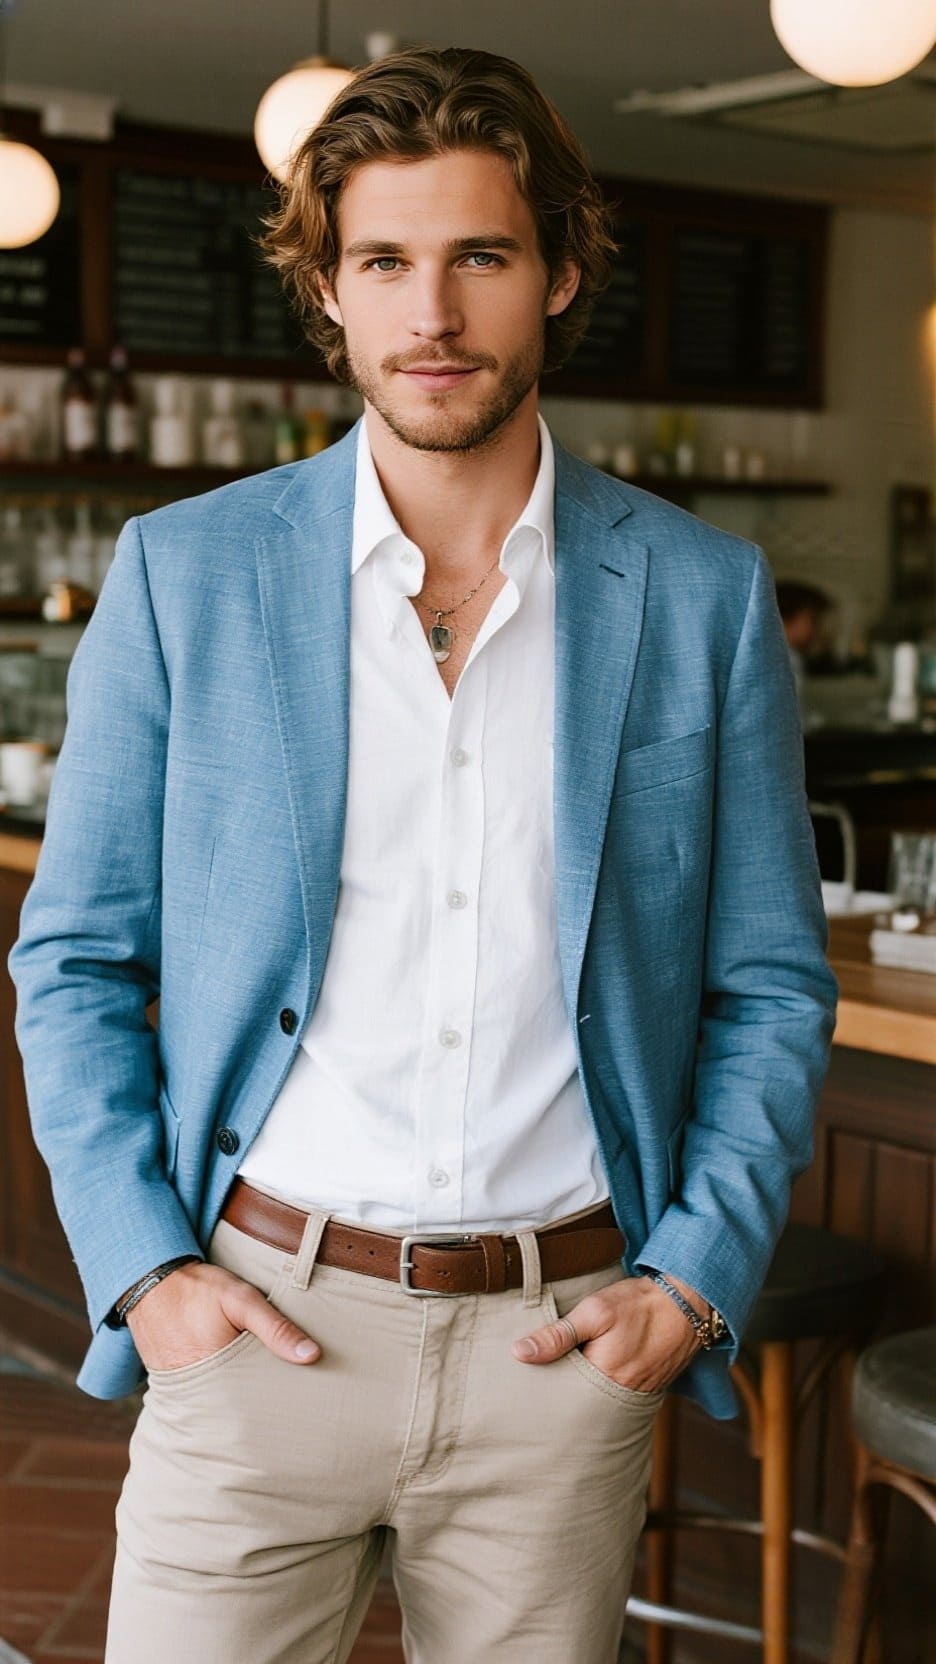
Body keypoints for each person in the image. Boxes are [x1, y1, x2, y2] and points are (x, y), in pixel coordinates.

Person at [8, 46, 838, 1664]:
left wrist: (687, 1280)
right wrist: (147, 1271)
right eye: (385, 260)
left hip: (561, 1352)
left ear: (559, 274)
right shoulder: (186, 575)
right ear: (328, 290)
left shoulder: (701, 596)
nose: (432, 312)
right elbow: (77, 954)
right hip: (257, 1331)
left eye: (480, 255)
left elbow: (770, 984)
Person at [775, 578, 835, 719]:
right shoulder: (783, 660)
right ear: (783, 617)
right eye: (813, 620)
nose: (818, 630)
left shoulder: (790, 657)